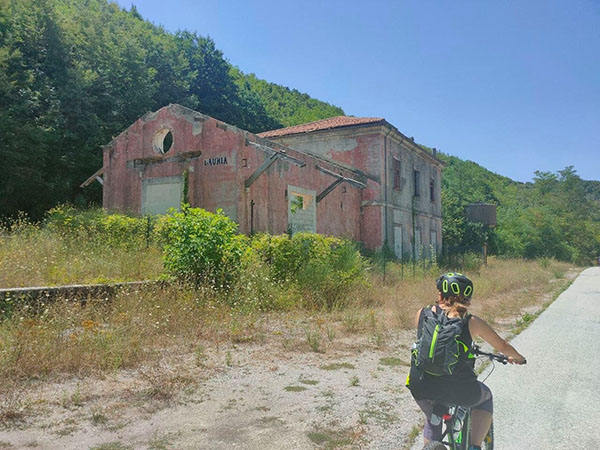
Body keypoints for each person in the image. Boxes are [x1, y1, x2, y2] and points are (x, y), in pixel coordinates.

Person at [406, 273, 526, 450]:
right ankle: (475, 446)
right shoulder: (471, 322)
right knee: (486, 397)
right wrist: (519, 358)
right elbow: (502, 345)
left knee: (432, 414)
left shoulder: (422, 313)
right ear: (468, 297)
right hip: (459, 389)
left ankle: (432, 444)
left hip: (421, 386)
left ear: (441, 294)